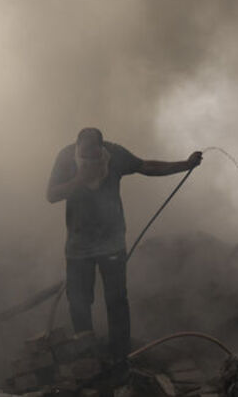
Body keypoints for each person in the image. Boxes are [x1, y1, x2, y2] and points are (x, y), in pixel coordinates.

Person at [46, 127, 202, 369]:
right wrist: (80, 179)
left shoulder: (115, 154)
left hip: (112, 243)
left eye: (95, 156)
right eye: (85, 156)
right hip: (78, 246)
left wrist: (185, 164)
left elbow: (146, 167)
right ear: (77, 148)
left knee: (117, 299)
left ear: (102, 148)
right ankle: (86, 357)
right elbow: (52, 194)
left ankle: (120, 356)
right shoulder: (66, 158)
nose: (91, 161)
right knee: (79, 300)